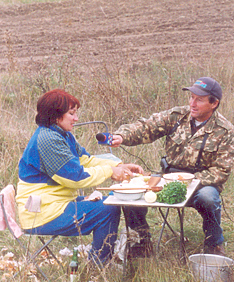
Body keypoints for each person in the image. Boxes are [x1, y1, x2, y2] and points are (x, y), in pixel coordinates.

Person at [16, 89, 144, 267]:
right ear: (55, 115)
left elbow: (86, 160)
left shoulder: (61, 134)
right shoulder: (47, 140)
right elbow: (76, 178)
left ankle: (104, 259)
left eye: (75, 113)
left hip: (54, 204)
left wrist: (119, 166)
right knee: (107, 209)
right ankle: (99, 266)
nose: (76, 118)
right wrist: (110, 171)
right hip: (40, 213)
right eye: (71, 113)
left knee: (110, 202)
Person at [111, 77, 234, 256]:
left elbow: (222, 170)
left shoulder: (225, 130)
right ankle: (141, 242)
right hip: (167, 179)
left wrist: (190, 181)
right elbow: (147, 127)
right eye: (191, 97)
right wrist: (121, 136)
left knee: (209, 198)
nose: (192, 103)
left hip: (201, 185)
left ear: (214, 103)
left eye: (199, 99)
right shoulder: (178, 116)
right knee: (131, 191)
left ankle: (214, 245)